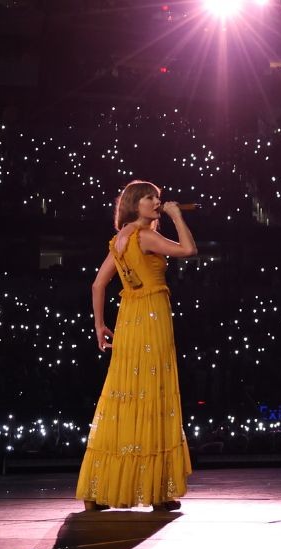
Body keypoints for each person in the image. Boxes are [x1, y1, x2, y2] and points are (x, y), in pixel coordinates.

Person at [76, 179, 196, 512]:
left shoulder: (119, 240)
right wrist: (176, 216)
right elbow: (189, 250)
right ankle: (156, 492)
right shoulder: (145, 236)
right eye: (150, 198)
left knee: (123, 398)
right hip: (152, 319)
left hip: (128, 319)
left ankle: (98, 491)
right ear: (134, 203)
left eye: (158, 198)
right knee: (152, 396)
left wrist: (100, 326)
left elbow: (98, 284)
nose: (157, 202)